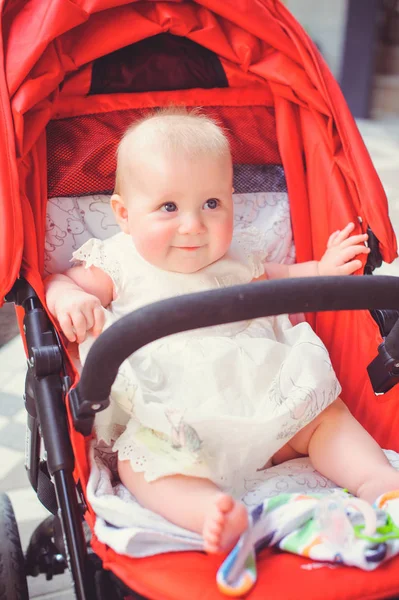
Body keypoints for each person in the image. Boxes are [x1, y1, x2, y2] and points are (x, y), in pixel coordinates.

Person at [44, 109, 399, 555]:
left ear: (231, 200)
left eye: (212, 204)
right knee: (141, 464)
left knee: (326, 415)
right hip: (177, 422)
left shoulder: (238, 255)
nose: (193, 225)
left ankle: (378, 483)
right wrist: (68, 298)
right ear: (124, 214)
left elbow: (283, 277)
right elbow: (58, 283)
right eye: (168, 207)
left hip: (269, 400)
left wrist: (323, 269)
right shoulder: (118, 263)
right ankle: (212, 512)